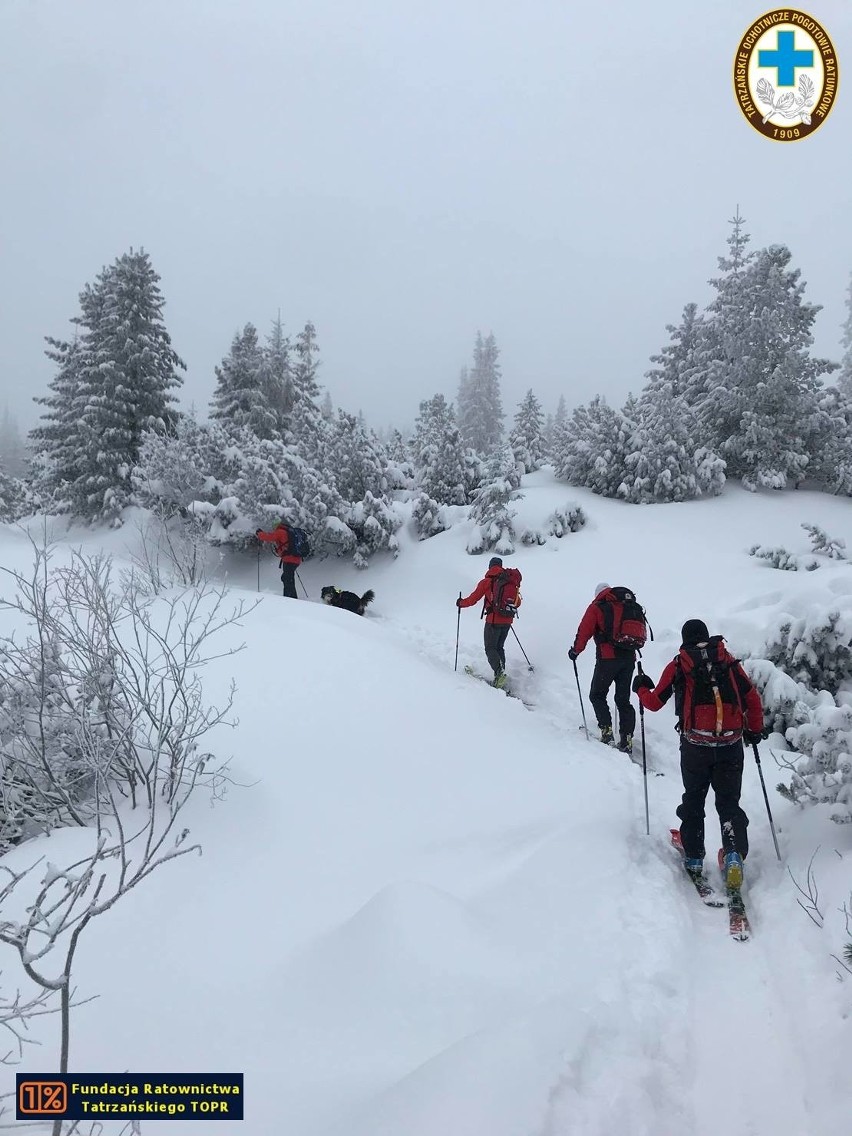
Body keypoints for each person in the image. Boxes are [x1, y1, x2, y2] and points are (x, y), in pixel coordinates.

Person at [632, 619, 764, 887]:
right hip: (730, 744)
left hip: (696, 746)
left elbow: (655, 703)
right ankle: (733, 854)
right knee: (728, 803)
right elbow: (752, 698)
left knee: (694, 799)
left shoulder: (680, 664)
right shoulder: (728, 662)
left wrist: (641, 688)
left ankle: (693, 856)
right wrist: (754, 730)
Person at [568, 583, 637, 753]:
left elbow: (585, 631)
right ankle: (627, 737)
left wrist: (575, 651)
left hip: (607, 659)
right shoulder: (626, 605)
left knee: (597, 695)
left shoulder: (597, 607)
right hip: (629, 658)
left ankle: (606, 730)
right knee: (623, 699)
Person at [457, 556, 521, 688]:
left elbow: (473, 599)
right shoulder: (509, 581)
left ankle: (499, 674)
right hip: (508, 621)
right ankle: (501, 673)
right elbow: (517, 602)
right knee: (499, 647)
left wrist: (461, 603)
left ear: (490, 567)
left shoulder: (487, 582)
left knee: (490, 648)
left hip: (493, 621)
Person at [256, 520, 302, 598]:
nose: (273, 528)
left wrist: (259, 534)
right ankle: (291, 597)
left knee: (287, 579)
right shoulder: (288, 531)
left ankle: (290, 598)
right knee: (287, 578)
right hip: (295, 558)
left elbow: (269, 537)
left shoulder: (280, 531)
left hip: (289, 558)